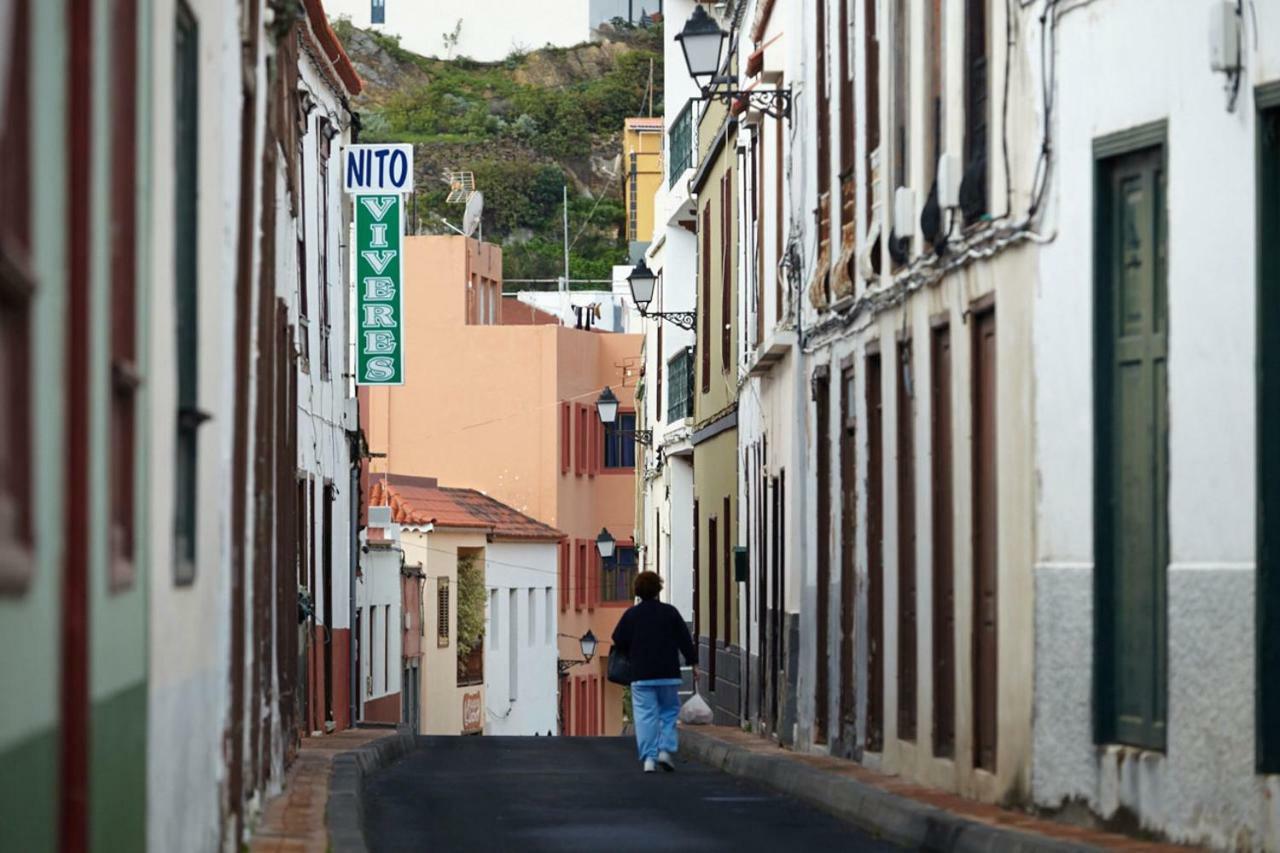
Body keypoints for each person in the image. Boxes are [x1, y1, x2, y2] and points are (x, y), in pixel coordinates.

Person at [611, 571, 698, 773]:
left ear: (638, 591)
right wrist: (693, 663)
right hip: (668, 673)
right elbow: (685, 640)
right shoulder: (671, 613)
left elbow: (618, 639)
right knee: (668, 712)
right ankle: (665, 750)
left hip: (641, 675)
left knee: (645, 716)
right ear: (658, 589)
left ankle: (649, 758)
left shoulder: (631, 615)